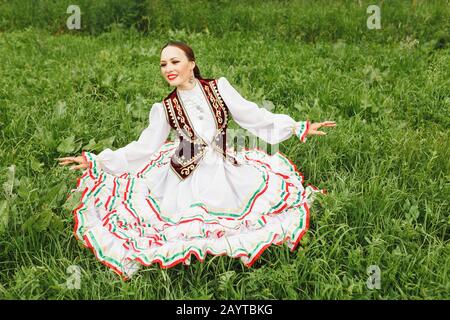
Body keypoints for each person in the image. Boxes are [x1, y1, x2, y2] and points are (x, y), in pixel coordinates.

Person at [57, 41, 336, 280]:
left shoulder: (219, 88)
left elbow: (253, 115)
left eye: (175, 61)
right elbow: (144, 148)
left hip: (224, 169)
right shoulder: (164, 107)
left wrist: (298, 126)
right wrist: (99, 161)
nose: (168, 69)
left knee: (243, 210)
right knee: (179, 221)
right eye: (163, 64)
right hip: (183, 175)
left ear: (192, 63)